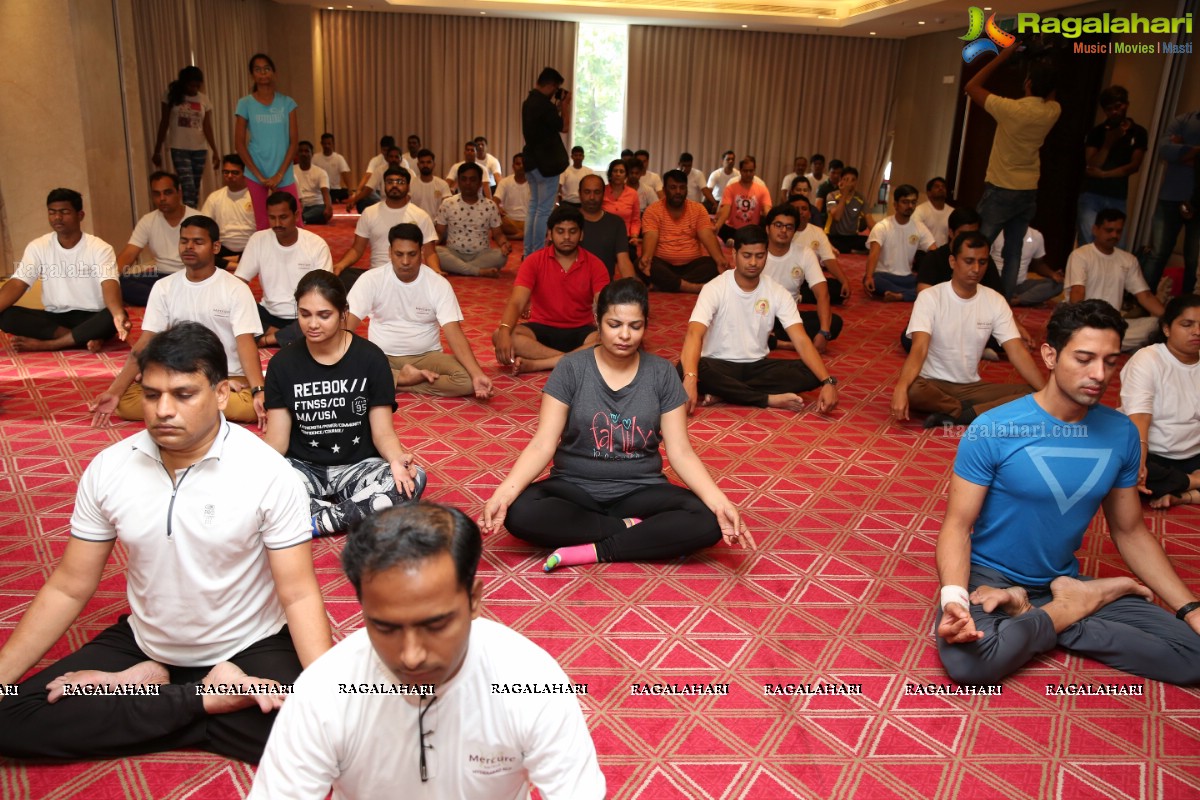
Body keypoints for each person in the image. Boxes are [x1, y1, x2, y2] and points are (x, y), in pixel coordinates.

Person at [0, 322, 333, 763]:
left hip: (248, 646)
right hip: (146, 644)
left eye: (183, 394)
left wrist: (329, 700)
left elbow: (298, 593)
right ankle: (202, 698)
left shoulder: (269, 473)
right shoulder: (110, 468)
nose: (163, 410)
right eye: (153, 395)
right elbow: (68, 586)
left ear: (220, 394)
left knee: (321, 741)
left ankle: (143, 702)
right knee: (11, 719)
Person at [248, 502, 605, 799]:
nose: (412, 656)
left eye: (435, 626)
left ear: (474, 600)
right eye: (385, 628)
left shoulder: (533, 681)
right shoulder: (323, 692)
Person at [934, 299, 1200, 688]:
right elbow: (957, 526)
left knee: (1192, 656)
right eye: (1084, 358)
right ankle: (1073, 605)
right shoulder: (994, 427)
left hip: (1059, 578)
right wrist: (954, 600)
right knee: (970, 664)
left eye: (1110, 361)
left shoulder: (1121, 432)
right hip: (988, 577)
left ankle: (1046, 610)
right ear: (1050, 355)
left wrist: (1191, 609)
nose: (1099, 374)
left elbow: (1130, 532)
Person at [483, 278, 750, 575]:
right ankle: (631, 532)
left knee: (707, 519)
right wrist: (503, 495)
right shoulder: (571, 368)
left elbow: (681, 453)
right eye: (614, 324)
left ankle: (596, 549)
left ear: (645, 325)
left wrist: (720, 501)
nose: (624, 335)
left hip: (640, 489)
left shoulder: (661, 373)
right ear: (597, 322)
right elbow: (543, 443)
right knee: (520, 512)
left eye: (635, 326)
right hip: (574, 487)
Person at [264, 270, 426, 536]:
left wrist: (397, 460)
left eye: (323, 315)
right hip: (304, 469)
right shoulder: (282, 364)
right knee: (256, 484)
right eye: (304, 314)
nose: (312, 324)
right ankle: (352, 514)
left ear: (343, 313)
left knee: (413, 478)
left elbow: (383, 431)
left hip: (358, 468)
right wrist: (248, 469)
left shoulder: (371, 359)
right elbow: (278, 441)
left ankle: (314, 520)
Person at [91, 215, 266, 428]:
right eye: (184, 241)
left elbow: (245, 343)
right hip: (178, 374)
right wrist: (114, 391)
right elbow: (144, 343)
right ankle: (200, 401)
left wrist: (258, 390)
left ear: (216, 247)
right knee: (125, 403)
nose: (189, 247)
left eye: (198, 242)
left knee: (249, 407)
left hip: (227, 375)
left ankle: (185, 401)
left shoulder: (235, 288)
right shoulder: (164, 287)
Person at [679, 225, 839, 414]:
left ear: (766, 255)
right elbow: (693, 333)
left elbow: (802, 340)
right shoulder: (715, 288)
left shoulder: (777, 292)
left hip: (757, 367)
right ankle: (767, 399)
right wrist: (690, 378)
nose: (753, 262)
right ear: (734, 254)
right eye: (747, 255)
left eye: (760, 256)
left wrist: (827, 382)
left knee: (812, 371)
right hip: (717, 364)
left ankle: (726, 392)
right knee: (686, 368)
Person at [892, 231, 1045, 428]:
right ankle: (972, 412)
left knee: (1030, 394)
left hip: (972, 388)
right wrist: (901, 387)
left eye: (982, 262)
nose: (976, 269)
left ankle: (959, 414)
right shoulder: (930, 297)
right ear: (952, 261)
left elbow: (1017, 351)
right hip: (931, 384)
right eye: (969, 261)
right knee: (912, 390)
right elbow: (919, 348)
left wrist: (1047, 394)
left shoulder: (994, 300)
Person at [347, 223, 494, 400]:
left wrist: (477, 374)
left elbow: (454, 333)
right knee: (347, 369)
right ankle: (399, 378)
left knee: (466, 381)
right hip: (382, 356)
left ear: (421, 252)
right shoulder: (371, 280)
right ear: (389, 252)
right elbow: (347, 325)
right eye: (399, 254)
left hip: (426, 357)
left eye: (412, 254)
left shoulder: (437, 283)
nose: (405, 261)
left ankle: (393, 382)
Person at [965, 44, 1060, 300]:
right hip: (1028, 190)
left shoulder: (1010, 109)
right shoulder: (1052, 111)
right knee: (1014, 252)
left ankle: (965, 294)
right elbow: (1050, 94)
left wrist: (1003, 57)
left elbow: (971, 87)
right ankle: (1003, 302)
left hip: (1001, 189)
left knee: (976, 245)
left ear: (1027, 83)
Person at [0, 188, 128, 352]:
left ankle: (50, 344)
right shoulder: (38, 246)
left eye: (64, 212)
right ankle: (81, 338)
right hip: (55, 319)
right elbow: (18, 283)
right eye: (52, 212)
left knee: (113, 316)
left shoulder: (100, 248)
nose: (57, 217)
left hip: (92, 316)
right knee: (6, 315)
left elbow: (109, 283)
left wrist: (117, 313)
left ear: (80, 215)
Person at [493, 207, 609, 374]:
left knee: (606, 341)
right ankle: (571, 361)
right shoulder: (533, 261)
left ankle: (539, 364)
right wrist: (504, 330)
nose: (567, 237)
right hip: (541, 329)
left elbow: (604, 305)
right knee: (499, 335)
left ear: (581, 234)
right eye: (560, 231)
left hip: (581, 331)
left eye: (572, 231)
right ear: (549, 234)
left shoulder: (595, 264)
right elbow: (517, 302)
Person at [1120, 294, 1200, 508]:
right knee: (1122, 467)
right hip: (1152, 452)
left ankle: (1182, 494)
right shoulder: (1148, 359)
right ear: (1166, 329)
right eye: (1187, 324)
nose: (1197, 332)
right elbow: (1139, 416)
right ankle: (1192, 483)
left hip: (1193, 454)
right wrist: (1139, 461)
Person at [234, 192, 334, 348]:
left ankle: (269, 338)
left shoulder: (316, 244)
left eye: (283, 217)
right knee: (233, 305)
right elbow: (238, 283)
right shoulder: (258, 240)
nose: (277, 223)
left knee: (330, 315)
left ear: (296, 215)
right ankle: (283, 335)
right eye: (272, 218)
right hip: (268, 315)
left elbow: (325, 292)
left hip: (305, 315)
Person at [1066, 208, 1165, 351]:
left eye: (1118, 231)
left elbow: (1145, 296)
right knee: (1073, 329)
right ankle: (1106, 344)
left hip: (1112, 325)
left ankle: (1105, 344)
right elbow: (1077, 292)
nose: (1114, 235)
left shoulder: (1128, 260)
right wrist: (1081, 325)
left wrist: (1173, 320)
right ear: (1095, 230)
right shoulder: (1080, 255)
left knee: (1157, 323)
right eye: (1109, 230)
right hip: (1084, 322)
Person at [333, 166, 440, 292]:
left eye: (400, 182)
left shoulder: (420, 215)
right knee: (339, 278)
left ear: (408, 186)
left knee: (427, 284)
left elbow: (430, 252)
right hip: (376, 275)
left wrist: (436, 272)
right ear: (384, 185)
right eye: (390, 182)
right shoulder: (369, 212)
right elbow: (357, 249)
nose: (395, 185)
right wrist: (340, 265)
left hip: (407, 275)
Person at [762, 205, 841, 354]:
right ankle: (786, 343)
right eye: (778, 225)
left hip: (787, 317)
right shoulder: (757, 252)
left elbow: (822, 293)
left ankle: (771, 339)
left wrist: (824, 332)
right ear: (767, 228)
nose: (783, 230)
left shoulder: (804, 253)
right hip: (758, 312)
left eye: (789, 227)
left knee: (834, 322)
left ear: (794, 232)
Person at [234, 53, 300, 231]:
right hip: (256, 172)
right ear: (252, 74)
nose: (262, 73)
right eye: (257, 69)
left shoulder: (288, 103)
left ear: (274, 73)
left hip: (283, 171)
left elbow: (294, 142)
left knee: (295, 222)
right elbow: (239, 144)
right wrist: (259, 175)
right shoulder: (245, 103)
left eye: (266, 69)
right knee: (263, 224)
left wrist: (279, 174)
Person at [117, 171, 200, 306]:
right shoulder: (148, 220)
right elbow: (128, 254)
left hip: (189, 276)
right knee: (120, 282)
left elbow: (207, 259)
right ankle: (172, 301)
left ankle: (163, 300)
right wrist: (110, 278)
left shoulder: (198, 219)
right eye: (156, 194)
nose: (162, 198)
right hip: (160, 277)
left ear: (179, 193)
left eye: (167, 193)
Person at [1078, 86, 1147, 247]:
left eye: (1118, 107)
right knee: (1088, 240)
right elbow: (1092, 164)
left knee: (1117, 244)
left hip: (1117, 195)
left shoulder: (1138, 132)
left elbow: (1134, 166)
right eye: (1109, 109)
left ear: (1126, 104)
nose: (1114, 112)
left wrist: (1103, 175)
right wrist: (1108, 142)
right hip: (1092, 193)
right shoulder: (1098, 132)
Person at [1143, 108, 1200, 296]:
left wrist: (1183, 150)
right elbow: (1164, 149)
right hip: (1170, 196)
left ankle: (1187, 307)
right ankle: (1143, 302)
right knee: (1157, 253)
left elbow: (1175, 153)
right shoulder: (1184, 119)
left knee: (1194, 260)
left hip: (1198, 201)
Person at [640, 170, 727, 293]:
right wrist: (647, 258)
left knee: (713, 265)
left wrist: (720, 260)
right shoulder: (652, 210)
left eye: (682, 188)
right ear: (664, 190)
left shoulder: (698, 209)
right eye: (673, 188)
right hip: (663, 264)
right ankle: (690, 287)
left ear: (687, 190)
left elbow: (707, 235)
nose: (678, 192)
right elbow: (650, 236)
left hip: (692, 266)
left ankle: (667, 284)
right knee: (641, 264)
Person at [522, 67, 572, 259]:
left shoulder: (529, 102)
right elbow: (565, 127)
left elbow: (548, 122)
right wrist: (565, 105)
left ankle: (528, 253)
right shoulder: (545, 105)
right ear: (551, 85)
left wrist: (557, 106)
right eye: (556, 87)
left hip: (532, 162)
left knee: (534, 207)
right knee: (543, 210)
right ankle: (536, 254)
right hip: (546, 164)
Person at [151, 66, 218, 208]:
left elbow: (207, 127)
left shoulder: (204, 99)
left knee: (194, 187)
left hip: (199, 148)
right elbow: (164, 122)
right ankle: (190, 219)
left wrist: (215, 151)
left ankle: (190, 216)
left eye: (197, 85)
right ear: (184, 83)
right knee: (188, 186)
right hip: (179, 147)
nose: (194, 88)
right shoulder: (171, 95)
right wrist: (157, 150)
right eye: (191, 85)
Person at [434, 162, 510, 277]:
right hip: (453, 253)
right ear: (458, 182)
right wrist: (430, 246)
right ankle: (478, 271)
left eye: (472, 179)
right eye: (463, 179)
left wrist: (504, 244)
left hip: (481, 254)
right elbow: (439, 232)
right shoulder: (447, 203)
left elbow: (498, 234)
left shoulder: (490, 206)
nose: (468, 183)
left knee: (501, 256)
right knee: (435, 253)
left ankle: (458, 268)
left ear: (480, 183)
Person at [863, 184, 935, 302]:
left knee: (931, 285)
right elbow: (874, 254)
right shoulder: (882, 226)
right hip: (883, 276)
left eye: (913, 202)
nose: (910, 206)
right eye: (905, 202)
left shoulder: (919, 227)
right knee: (874, 281)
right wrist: (869, 276)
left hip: (907, 278)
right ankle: (909, 295)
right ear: (895, 205)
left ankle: (899, 295)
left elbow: (934, 251)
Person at [788, 193, 851, 304]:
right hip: (787, 277)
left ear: (809, 214)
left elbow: (829, 260)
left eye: (804, 209)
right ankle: (798, 296)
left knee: (838, 288)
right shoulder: (783, 231)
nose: (800, 212)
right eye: (796, 209)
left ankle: (799, 297)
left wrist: (844, 281)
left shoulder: (817, 232)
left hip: (810, 279)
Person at [201, 155, 256, 268]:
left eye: (235, 173)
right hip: (222, 248)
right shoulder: (214, 197)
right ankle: (237, 264)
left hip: (250, 247)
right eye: (226, 172)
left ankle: (228, 263)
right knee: (202, 253)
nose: (229, 176)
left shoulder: (256, 196)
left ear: (245, 174)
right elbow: (203, 226)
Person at [579, 174, 635, 280]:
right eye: (587, 192)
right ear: (579, 193)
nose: (592, 197)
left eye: (597, 192)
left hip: (603, 286)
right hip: (572, 284)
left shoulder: (616, 223)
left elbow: (623, 260)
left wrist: (632, 288)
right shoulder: (569, 221)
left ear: (603, 194)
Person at [990, 226, 1064, 306]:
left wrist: (1052, 274)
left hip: (1020, 286)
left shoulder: (1036, 236)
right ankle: (1025, 300)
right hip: (996, 284)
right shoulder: (996, 232)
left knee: (1058, 285)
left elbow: (1038, 264)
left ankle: (1017, 300)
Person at [713, 156, 772, 243]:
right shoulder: (731, 188)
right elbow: (726, 209)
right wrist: (717, 226)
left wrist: (775, 223)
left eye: (751, 171)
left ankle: (736, 241)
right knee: (720, 226)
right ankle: (735, 240)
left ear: (754, 171)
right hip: (732, 229)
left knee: (762, 227)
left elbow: (767, 210)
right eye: (745, 171)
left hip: (751, 230)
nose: (748, 174)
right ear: (740, 171)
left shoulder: (762, 189)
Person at [824, 166, 873, 254]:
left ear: (856, 182)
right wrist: (844, 194)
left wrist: (882, 235)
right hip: (834, 236)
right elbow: (837, 217)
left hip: (852, 237)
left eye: (852, 180)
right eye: (846, 179)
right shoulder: (831, 196)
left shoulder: (861, 198)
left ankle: (851, 250)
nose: (849, 183)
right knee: (827, 243)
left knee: (870, 242)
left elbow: (870, 221)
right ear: (841, 180)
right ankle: (853, 251)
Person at [346, 135, 397, 213]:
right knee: (362, 199)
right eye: (384, 150)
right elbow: (368, 182)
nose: (393, 159)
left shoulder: (405, 167)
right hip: (380, 196)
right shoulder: (379, 168)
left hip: (398, 197)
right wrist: (356, 196)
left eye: (396, 157)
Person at [292, 141, 332, 225]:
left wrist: (328, 207)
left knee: (322, 210)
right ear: (297, 154)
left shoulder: (321, 172)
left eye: (306, 151)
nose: (304, 154)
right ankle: (304, 218)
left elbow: (325, 193)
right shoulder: (291, 171)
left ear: (312, 154)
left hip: (316, 205)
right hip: (298, 205)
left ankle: (301, 218)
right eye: (301, 151)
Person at [602, 158, 641, 244]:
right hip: (604, 235)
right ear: (610, 174)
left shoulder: (633, 193)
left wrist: (634, 236)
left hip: (626, 237)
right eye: (615, 171)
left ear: (626, 175)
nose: (618, 174)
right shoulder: (602, 191)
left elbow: (635, 220)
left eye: (621, 171)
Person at [494, 153, 531, 241]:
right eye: (518, 164)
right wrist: (498, 208)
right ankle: (523, 235)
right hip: (509, 222)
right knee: (497, 220)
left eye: (524, 164)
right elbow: (494, 201)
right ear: (513, 166)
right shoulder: (505, 182)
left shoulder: (534, 183)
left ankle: (515, 236)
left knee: (542, 222)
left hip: (528, 222)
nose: (521, 166)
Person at [912, 177, 955, 248]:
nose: (941, 188)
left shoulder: (952, 212)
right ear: (928, 193)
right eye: (937, 187)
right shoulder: (919, 210)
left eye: (943, 187)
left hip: (943, 253)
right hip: (924, 253)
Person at [409, 148, 452, 219]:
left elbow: (447, 208)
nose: (425, 165)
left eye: (428, 162)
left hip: (437, 224)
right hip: (416, 224)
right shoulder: (410, 184)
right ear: (418, 165)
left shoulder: (442, 184)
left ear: (434, 164)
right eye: (422, 162)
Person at [313, 132, 352, 204]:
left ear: (333, 144)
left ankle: (334, 199)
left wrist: (350, 190)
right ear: (321, 144)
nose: (327, 146)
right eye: (325, 144)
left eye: (329, 143)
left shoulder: (339, 158)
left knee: (345, 192)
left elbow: (345, 174)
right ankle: (333, 199)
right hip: (320, 190)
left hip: (335, 189)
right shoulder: (315, 158)